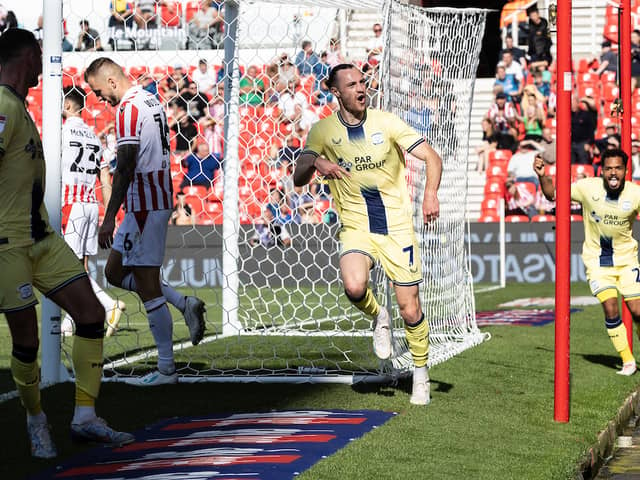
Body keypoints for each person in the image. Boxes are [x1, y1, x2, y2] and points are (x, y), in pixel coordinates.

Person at [0, 28, 133, 459]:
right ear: (25, 58)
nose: (44, 64)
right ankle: (36, 419)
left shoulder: (18, 105)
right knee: (27, 341)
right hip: (9, 244)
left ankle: (85, 418)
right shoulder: (2, 104)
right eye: (39, 56)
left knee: (92, 314)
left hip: (40, 237)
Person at [293, 64, 443, 406]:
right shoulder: (322, 131)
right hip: (357, 227)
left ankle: (420, 373)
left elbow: (431, 157)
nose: (361, 89)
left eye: (363, 82)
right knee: (354, 286)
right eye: (352, 84)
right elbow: (298, 177)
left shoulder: (387, 122)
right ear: (336, 92)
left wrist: (431, 194)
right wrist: (317, 163)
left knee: (410, 308)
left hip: (396, 227)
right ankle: (379, 315)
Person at [84, 57, 207, 386]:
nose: (98, 99)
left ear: (112, 82)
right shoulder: (149, 99)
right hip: (148, 202)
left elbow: (125, 165)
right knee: (113, 272)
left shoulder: (128, 108)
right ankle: (184, 303)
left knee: (149, 288)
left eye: (98, 91)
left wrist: (109, 216)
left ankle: (166, 369)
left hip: (146, 205)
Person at [535, 149, 640, 376]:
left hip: (627, 259)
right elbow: (552, 194)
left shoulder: (635, 194)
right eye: (609, 168)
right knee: (611, 309)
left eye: (618, 168)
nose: (613, 173)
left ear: (625, 170)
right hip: (597, 262)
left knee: (637, 310)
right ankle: (628, 361)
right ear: (602, 170)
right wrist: (543, 175)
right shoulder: (587, 188)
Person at [58, 86, 126, 338]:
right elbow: (106, 180)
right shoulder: (93, 136)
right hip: (90, 204)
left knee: (66, 268)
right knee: (80, 265)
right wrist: (109, 217)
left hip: (69, 203)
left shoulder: (60, 133)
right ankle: (71, 321)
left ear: (67, 107)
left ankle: (109, 305)